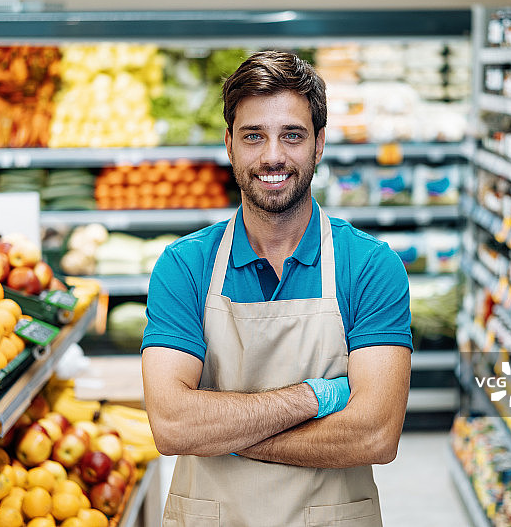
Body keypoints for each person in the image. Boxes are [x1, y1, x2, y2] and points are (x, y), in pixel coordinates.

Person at [141, 50, 412, 527]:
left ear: (319, 144)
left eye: (292, 135)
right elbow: (172, 425)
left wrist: (226, 436)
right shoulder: (185, 266)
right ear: (229, 144)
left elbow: (374, 435)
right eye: (253, 136)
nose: (272, 156)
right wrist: (315, 397)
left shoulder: (370, 266)